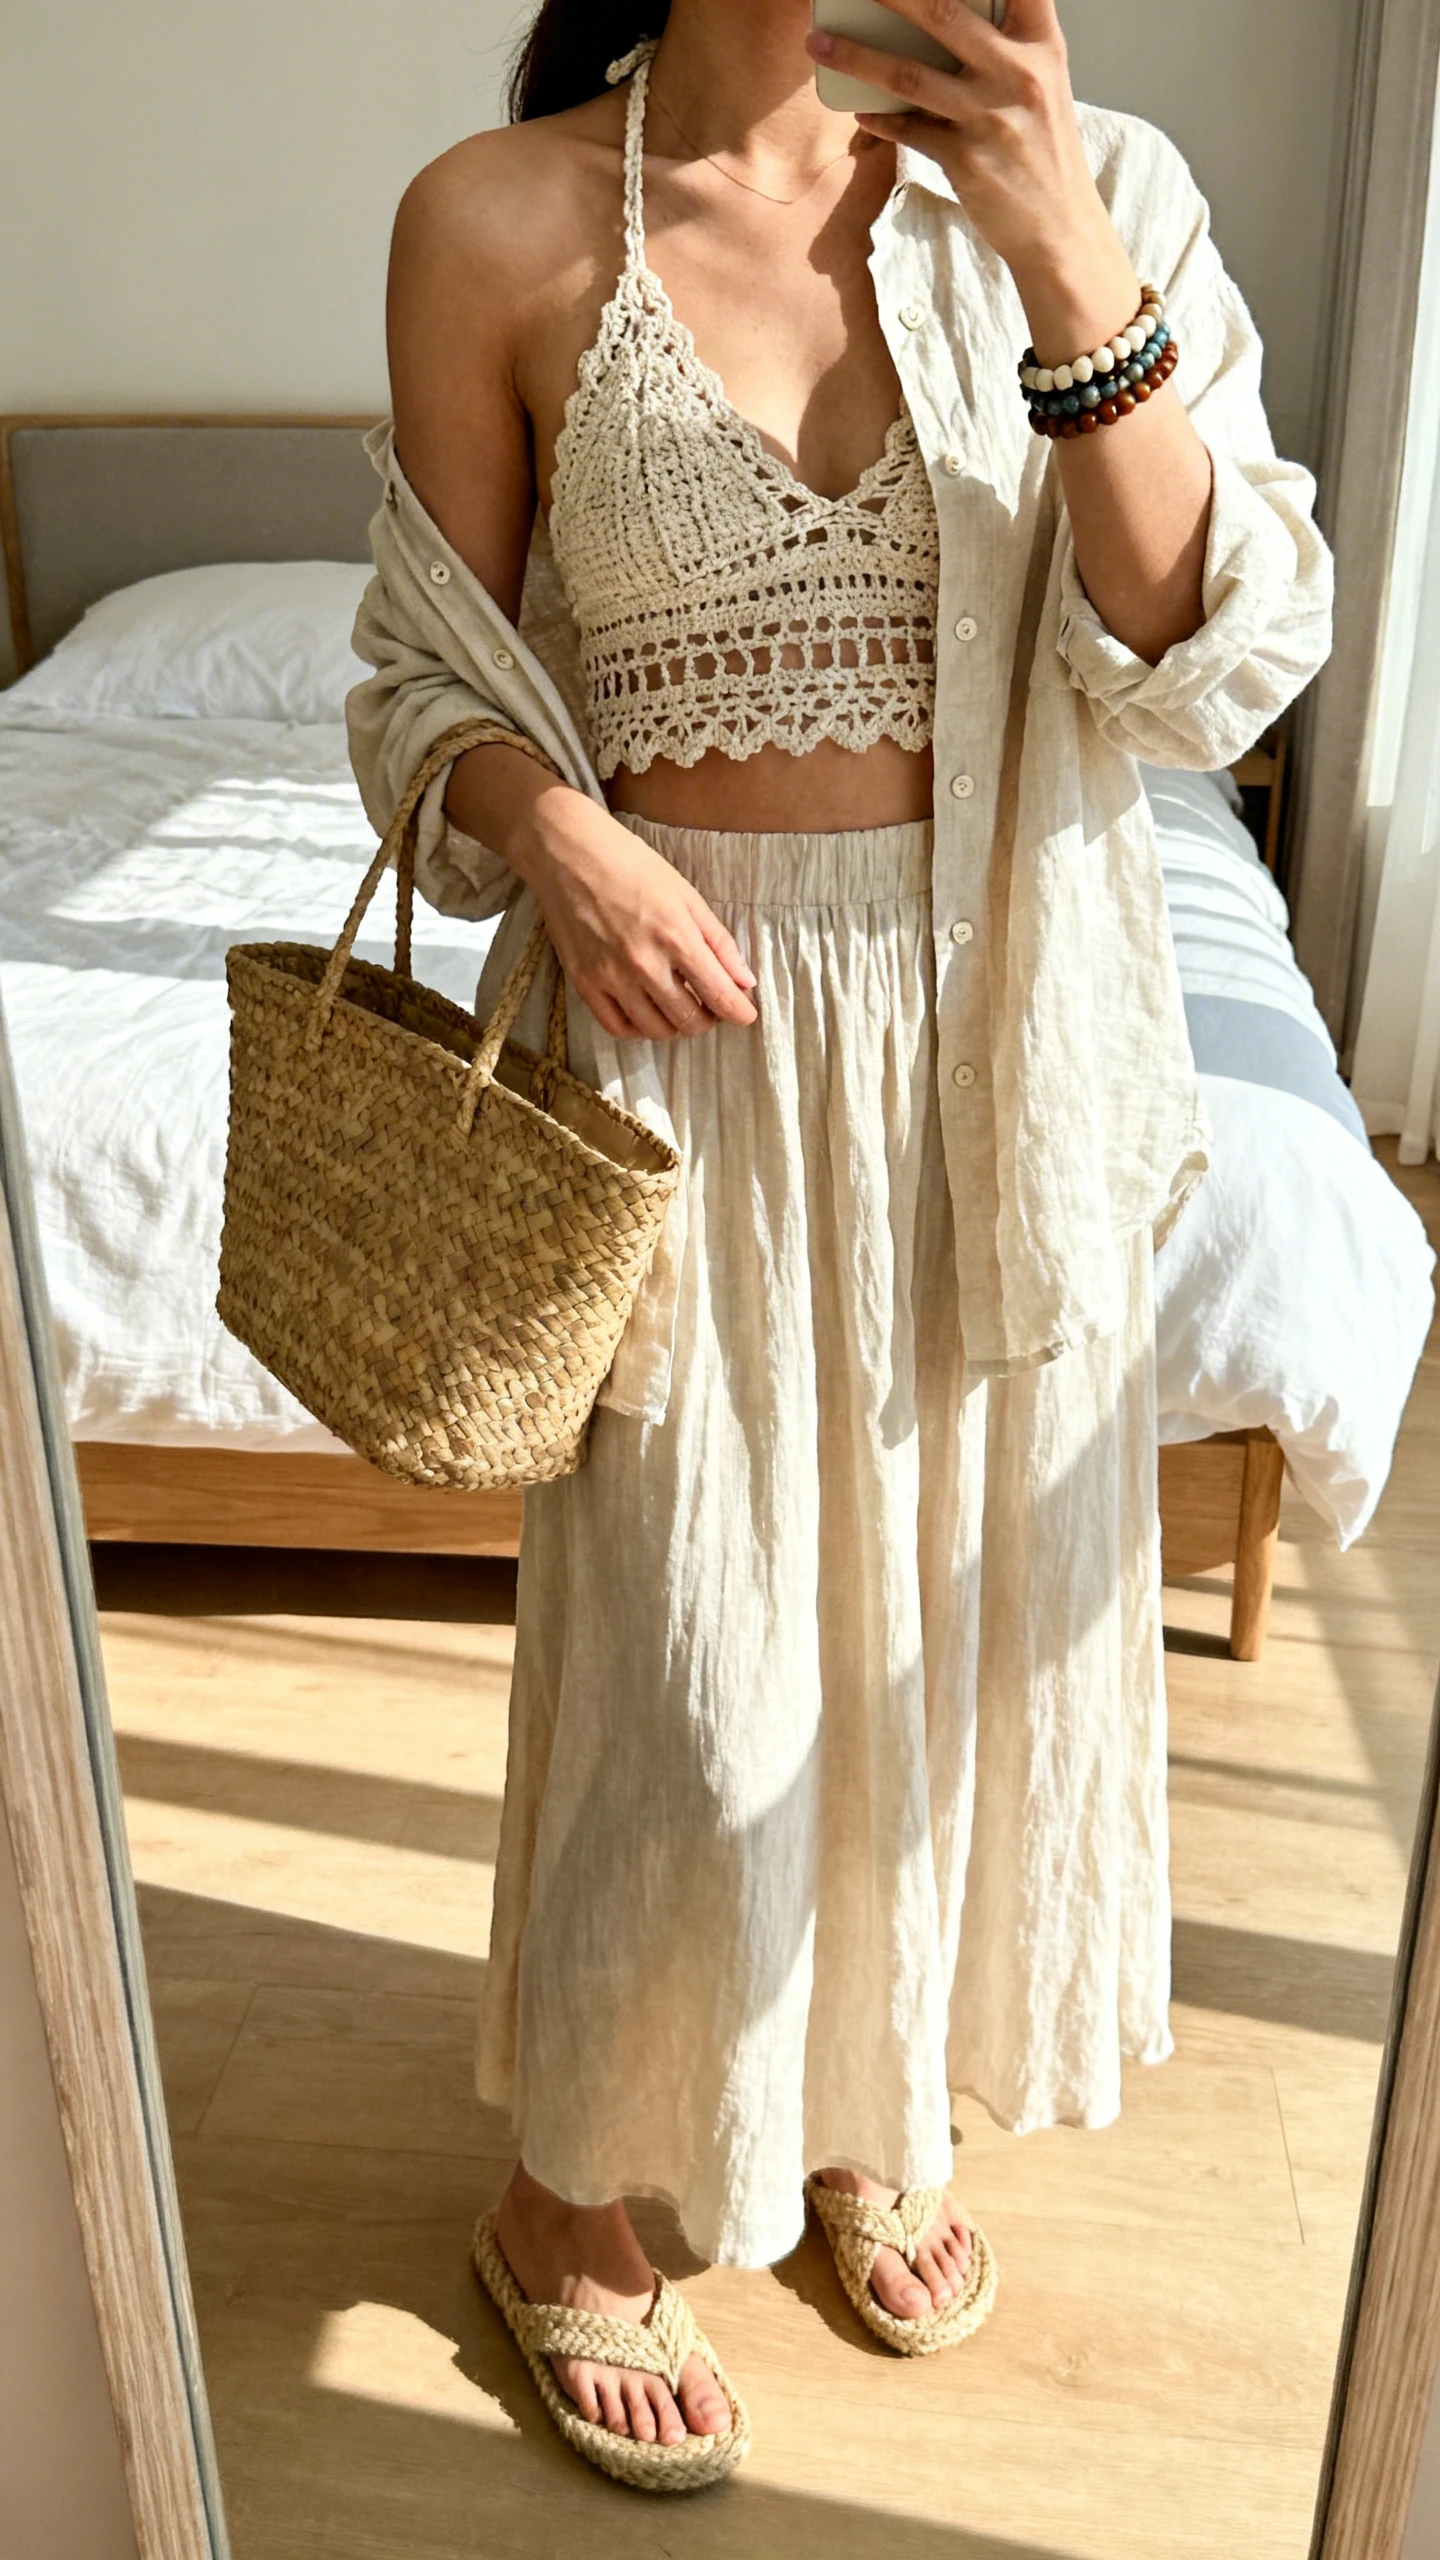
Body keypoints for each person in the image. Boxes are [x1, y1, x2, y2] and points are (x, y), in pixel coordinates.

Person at [347, 0, 1334, 2493]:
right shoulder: (495, 222)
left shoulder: (1098, 183)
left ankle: (868, 2096)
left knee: (951, 1639)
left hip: (1008, 1036)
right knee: (687, 1679)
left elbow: (1215, 664)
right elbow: (422, 681)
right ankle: (569, 2194)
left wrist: (1060, 245)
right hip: (673, 1057)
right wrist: (558, 831)